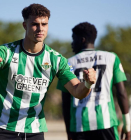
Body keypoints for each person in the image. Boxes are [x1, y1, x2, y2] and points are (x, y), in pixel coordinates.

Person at [0, 4, 96, 140]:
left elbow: (77, 91)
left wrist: (87, 84)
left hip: (35, 130)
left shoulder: (56, 59)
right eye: (35, 24)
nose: (40, 29)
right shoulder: (7, 52)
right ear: (24, 25)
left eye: (44, 24)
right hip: (3, 129)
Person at [57, 22, 131, 140]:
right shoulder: (111, 57)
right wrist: (127, 123)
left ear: (82, 40)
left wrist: (68, 131)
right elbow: (121, 92)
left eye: (73, 39)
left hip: (79, 125)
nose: (72, 44)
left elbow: (65, 101)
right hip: (106, 122)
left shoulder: (68, 63)